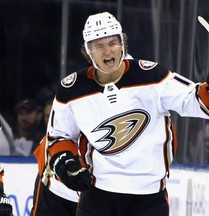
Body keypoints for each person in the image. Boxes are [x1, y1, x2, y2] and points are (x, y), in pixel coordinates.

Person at [44, 11, 209, 216]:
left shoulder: (152, 77)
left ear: (123, 43)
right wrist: (65, 162)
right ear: (88, 51)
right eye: (99, 46)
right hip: (97, 197)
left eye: (113, 43)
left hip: (148, 199)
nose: (108, 51)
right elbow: (58, 136)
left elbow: (198, 101)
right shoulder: (71, 90)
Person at [31, 38, 134, 216]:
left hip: (100, 193)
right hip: (58, 186)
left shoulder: (143, 91)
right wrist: (66, 163)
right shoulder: (80, 93)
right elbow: (56, 139)